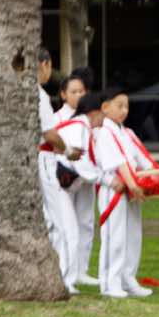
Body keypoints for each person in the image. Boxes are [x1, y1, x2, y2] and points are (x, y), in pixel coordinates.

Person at [89, 90, 152, 298]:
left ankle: (128, 278)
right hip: (114, 190)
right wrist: (132, 184)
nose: (124, 110)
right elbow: (118, 163)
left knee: (133, 236)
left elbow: (143, 160)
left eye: (126, 106)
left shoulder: (127, 132)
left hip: (132, 189)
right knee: (114, 237)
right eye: (119, 105)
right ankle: (110, 283)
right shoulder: (104, 132)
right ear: (105, 107)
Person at [35, 50, 78, 290]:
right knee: (58, 222)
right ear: (45, 64)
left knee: (49, 219)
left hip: (37, 158)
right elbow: (50, 134)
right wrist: (68, 150)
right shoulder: (39, 95)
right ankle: (61, 277)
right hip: (43, 158)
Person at [59, 69, 100, 288]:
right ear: (63, 94)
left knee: (85, 222)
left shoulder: (87, 120)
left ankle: (81, 269)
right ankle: (67, 273)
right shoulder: (60, 118)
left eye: (82, 91)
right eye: (74, 91)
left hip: (82, 181)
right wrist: (100, 176)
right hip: (64, 178)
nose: (78, 95)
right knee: (68, 228)